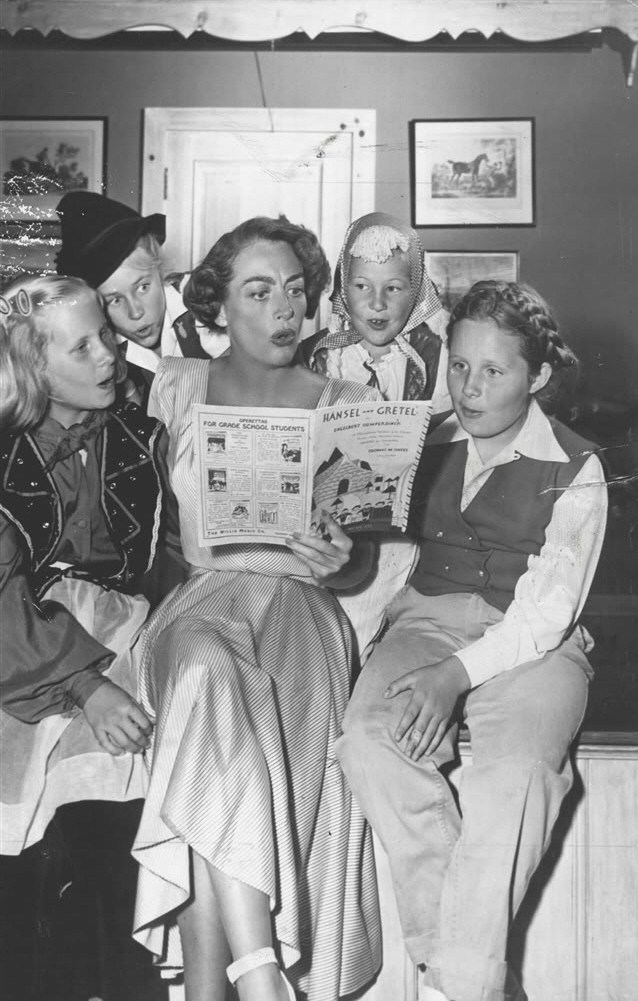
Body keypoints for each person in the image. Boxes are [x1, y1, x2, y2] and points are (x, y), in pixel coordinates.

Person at [131, 216, 382, 1001]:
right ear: (217, 307)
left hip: (305, 611)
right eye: (259, 290)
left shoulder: (346, 400)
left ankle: (214, 985)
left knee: (235, 735)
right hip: (200, 605)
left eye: (297, 291)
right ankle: (261, 970)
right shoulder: (175, 388)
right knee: (207, 676)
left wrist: (347, 559)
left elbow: (364, 547)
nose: (284, 309)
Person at [336, 281, 609, 1001]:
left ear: (539, 375)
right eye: (458, 365)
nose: (469, 387)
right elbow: (370, 557)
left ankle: (454, 983)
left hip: (538, 644)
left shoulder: (580, 468)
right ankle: (478, 983)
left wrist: (454, 676)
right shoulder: (419, 443)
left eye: (493, 370)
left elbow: (545, 615)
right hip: (425, 620)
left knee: (513, 774)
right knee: (367, 737)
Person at [0, 275, 165, 998]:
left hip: (121, 632)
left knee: (113, 795)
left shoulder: (135, 436)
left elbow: (170, 558)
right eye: (85, 344)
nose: (110, 354)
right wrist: (84, 683)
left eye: (108, 334)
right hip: (26, 647)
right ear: (35, 366)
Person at [300, 211, 451, 663]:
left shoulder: (437, 359)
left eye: (394, 288)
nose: (378, 304)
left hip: (403, 538)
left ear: (418, 291)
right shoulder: (316, 359)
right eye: (362, 286)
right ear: (343, 289)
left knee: (364, 640)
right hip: (328, 534)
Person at [55, 191, 226, 405]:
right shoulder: (105, 354)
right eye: (114, 300)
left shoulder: (203, 304)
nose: (136, 312)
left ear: (159, 268)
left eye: (143, 287)